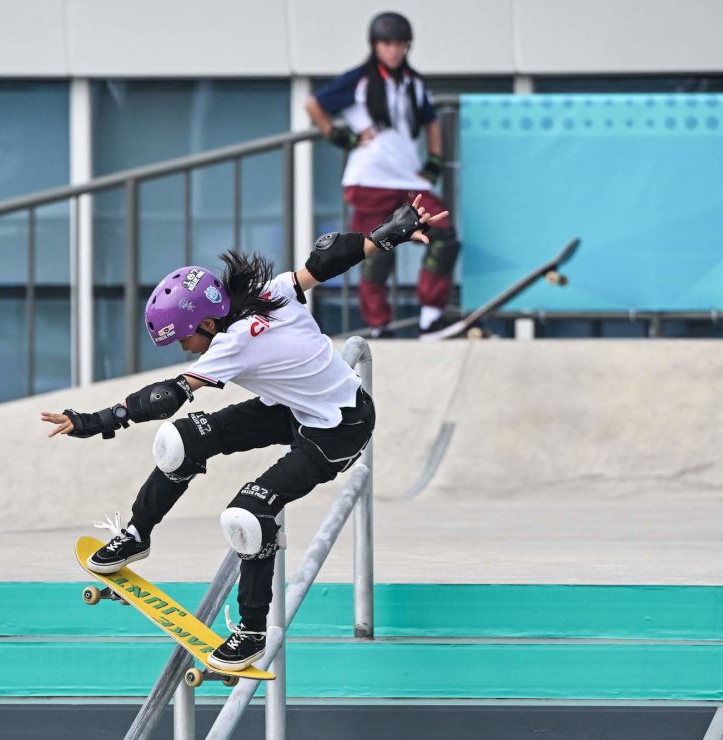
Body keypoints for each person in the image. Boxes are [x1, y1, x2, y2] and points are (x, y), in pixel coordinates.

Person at [41, 196, 446, 670]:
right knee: (180, 442)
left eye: (184, 338)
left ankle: (253, 632)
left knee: (248, 514)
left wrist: (95, 421)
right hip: (291, 408)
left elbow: (165, 397)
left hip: (339, 428)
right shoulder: (274, 292)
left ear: (208, 323)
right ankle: (137, 534)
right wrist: (384, 235)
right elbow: (325, 260)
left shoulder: (229, 346)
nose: (185, 348)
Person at [305, 11, 460, 337]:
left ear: (407, 46)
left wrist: (433, 161)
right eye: (386, 43)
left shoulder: (413, 83)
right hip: (369, 180)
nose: (393, 50)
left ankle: (431, 317)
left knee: (443, 234)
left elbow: (431, 123)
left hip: (407, 180)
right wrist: (340, 136)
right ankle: (379, 325)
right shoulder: (359, 80)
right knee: (374, 246)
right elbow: (313, 105)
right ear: (375, 46)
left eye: (399, 44)